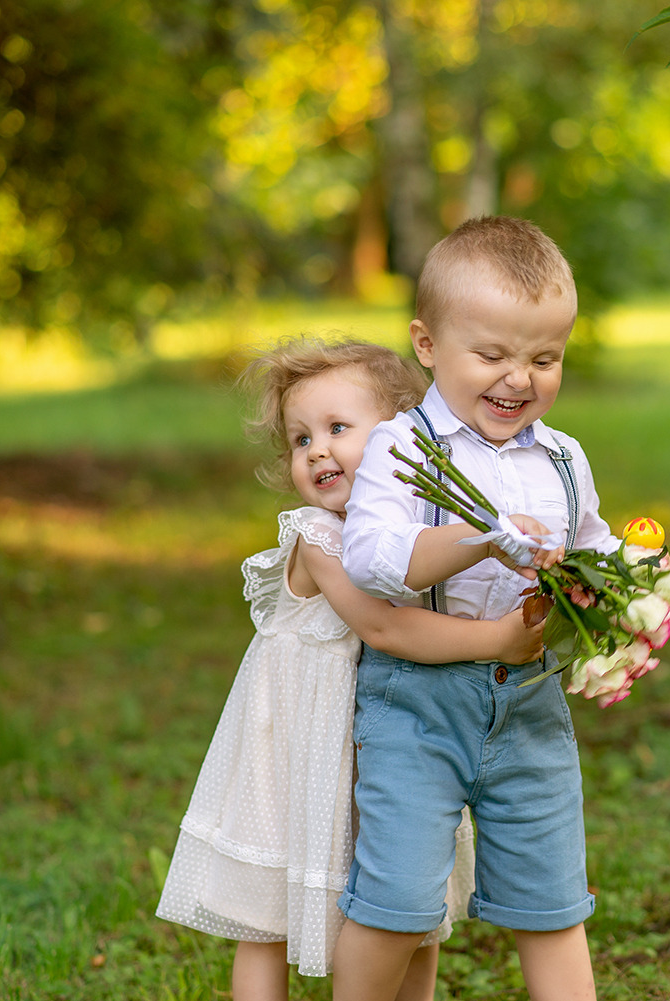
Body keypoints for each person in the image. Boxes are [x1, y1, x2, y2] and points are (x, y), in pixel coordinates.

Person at [156, 339, 545, 1001]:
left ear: (403, 436)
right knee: (267, 918)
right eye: (300, 437)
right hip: (300, 742)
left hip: (386, 739)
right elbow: (383, 625)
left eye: (338, 428)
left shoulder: (413, 530)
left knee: (413, 900)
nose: (316, 450)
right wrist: (497, 640)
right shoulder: (318, 533)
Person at [338, 216, 618, 1001]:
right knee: (395, 902)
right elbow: (375, 561)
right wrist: (480, 538)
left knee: (554, 902)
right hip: (417, 706)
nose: (518, 379)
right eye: (492, 354)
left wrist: (624, 584)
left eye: (544, 358)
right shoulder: (400, 447)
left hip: (530, 703)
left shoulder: (563, 456)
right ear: (426, 344)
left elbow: (589, 541)